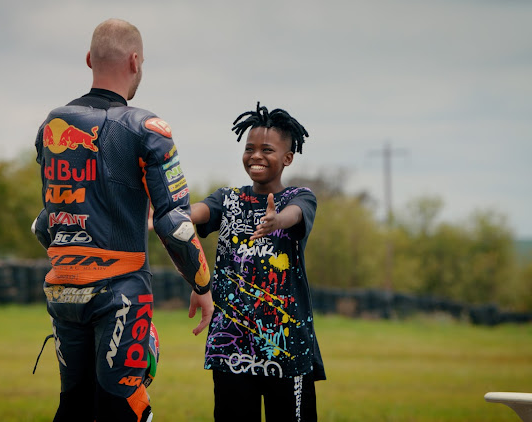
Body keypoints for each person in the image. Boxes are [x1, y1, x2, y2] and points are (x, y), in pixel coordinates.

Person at [30, 18, 213, 422]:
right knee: (123, 406)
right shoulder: (147, 128)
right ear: (135, 61)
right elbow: (174, 223)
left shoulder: (50, 126)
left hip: (62, 293)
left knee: (74, 405)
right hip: (121, 294)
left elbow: (46, 221)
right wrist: (201, 283)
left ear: (89, 58)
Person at [189, 102, 326, 421]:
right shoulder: (227, 198)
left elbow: (295, 216)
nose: (256, 156)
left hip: (286, 350)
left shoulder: (299, 198)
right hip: (231, 350)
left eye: (267, 149)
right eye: (250, 148)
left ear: (287, 158)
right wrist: (177, 213)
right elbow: (202, 211)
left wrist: (277, 220)